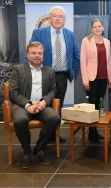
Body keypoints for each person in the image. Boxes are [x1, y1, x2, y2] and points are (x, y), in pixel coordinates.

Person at [24, 6, 80, 142]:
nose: (57, 18)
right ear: (50, 18)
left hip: (62, 75)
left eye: (60, 16)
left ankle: (54, 134)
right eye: (55, 16)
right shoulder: (39, 32)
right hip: (44, 75)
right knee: (45, 103)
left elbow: (76, 55)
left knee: (58, 105)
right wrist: (27, 72)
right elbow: (30, 54)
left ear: (64, 20)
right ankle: (45, 135)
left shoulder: (69, 34)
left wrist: (70, 72)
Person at [9, 41, 61, 169]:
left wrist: (44, 102)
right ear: (27, 55)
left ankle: (39, 149)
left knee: (55, 118)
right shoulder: (18, 69)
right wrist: (28, 105)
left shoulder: (50, 71)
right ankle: (27, 152)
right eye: (33, 53)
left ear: (43, 55)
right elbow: (13, 92)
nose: (37, 56)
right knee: (20, 120)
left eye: (40, 53)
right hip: (23, 105)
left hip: (41, 105)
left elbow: (53, 90)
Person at [80, 19, 111, 143]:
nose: (97, 28)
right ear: (92, 29)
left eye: (99, 26)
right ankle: (91, 133)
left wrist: (110, 77)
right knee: (92, 104)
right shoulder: (86, 41)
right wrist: (85, 80)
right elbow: (83, 61)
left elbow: (108, 61)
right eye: (95, 27)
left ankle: (96, 130)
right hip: (91, 78)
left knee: (99, 104)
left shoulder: (107, 42)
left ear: (103, 28)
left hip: (103, 77)